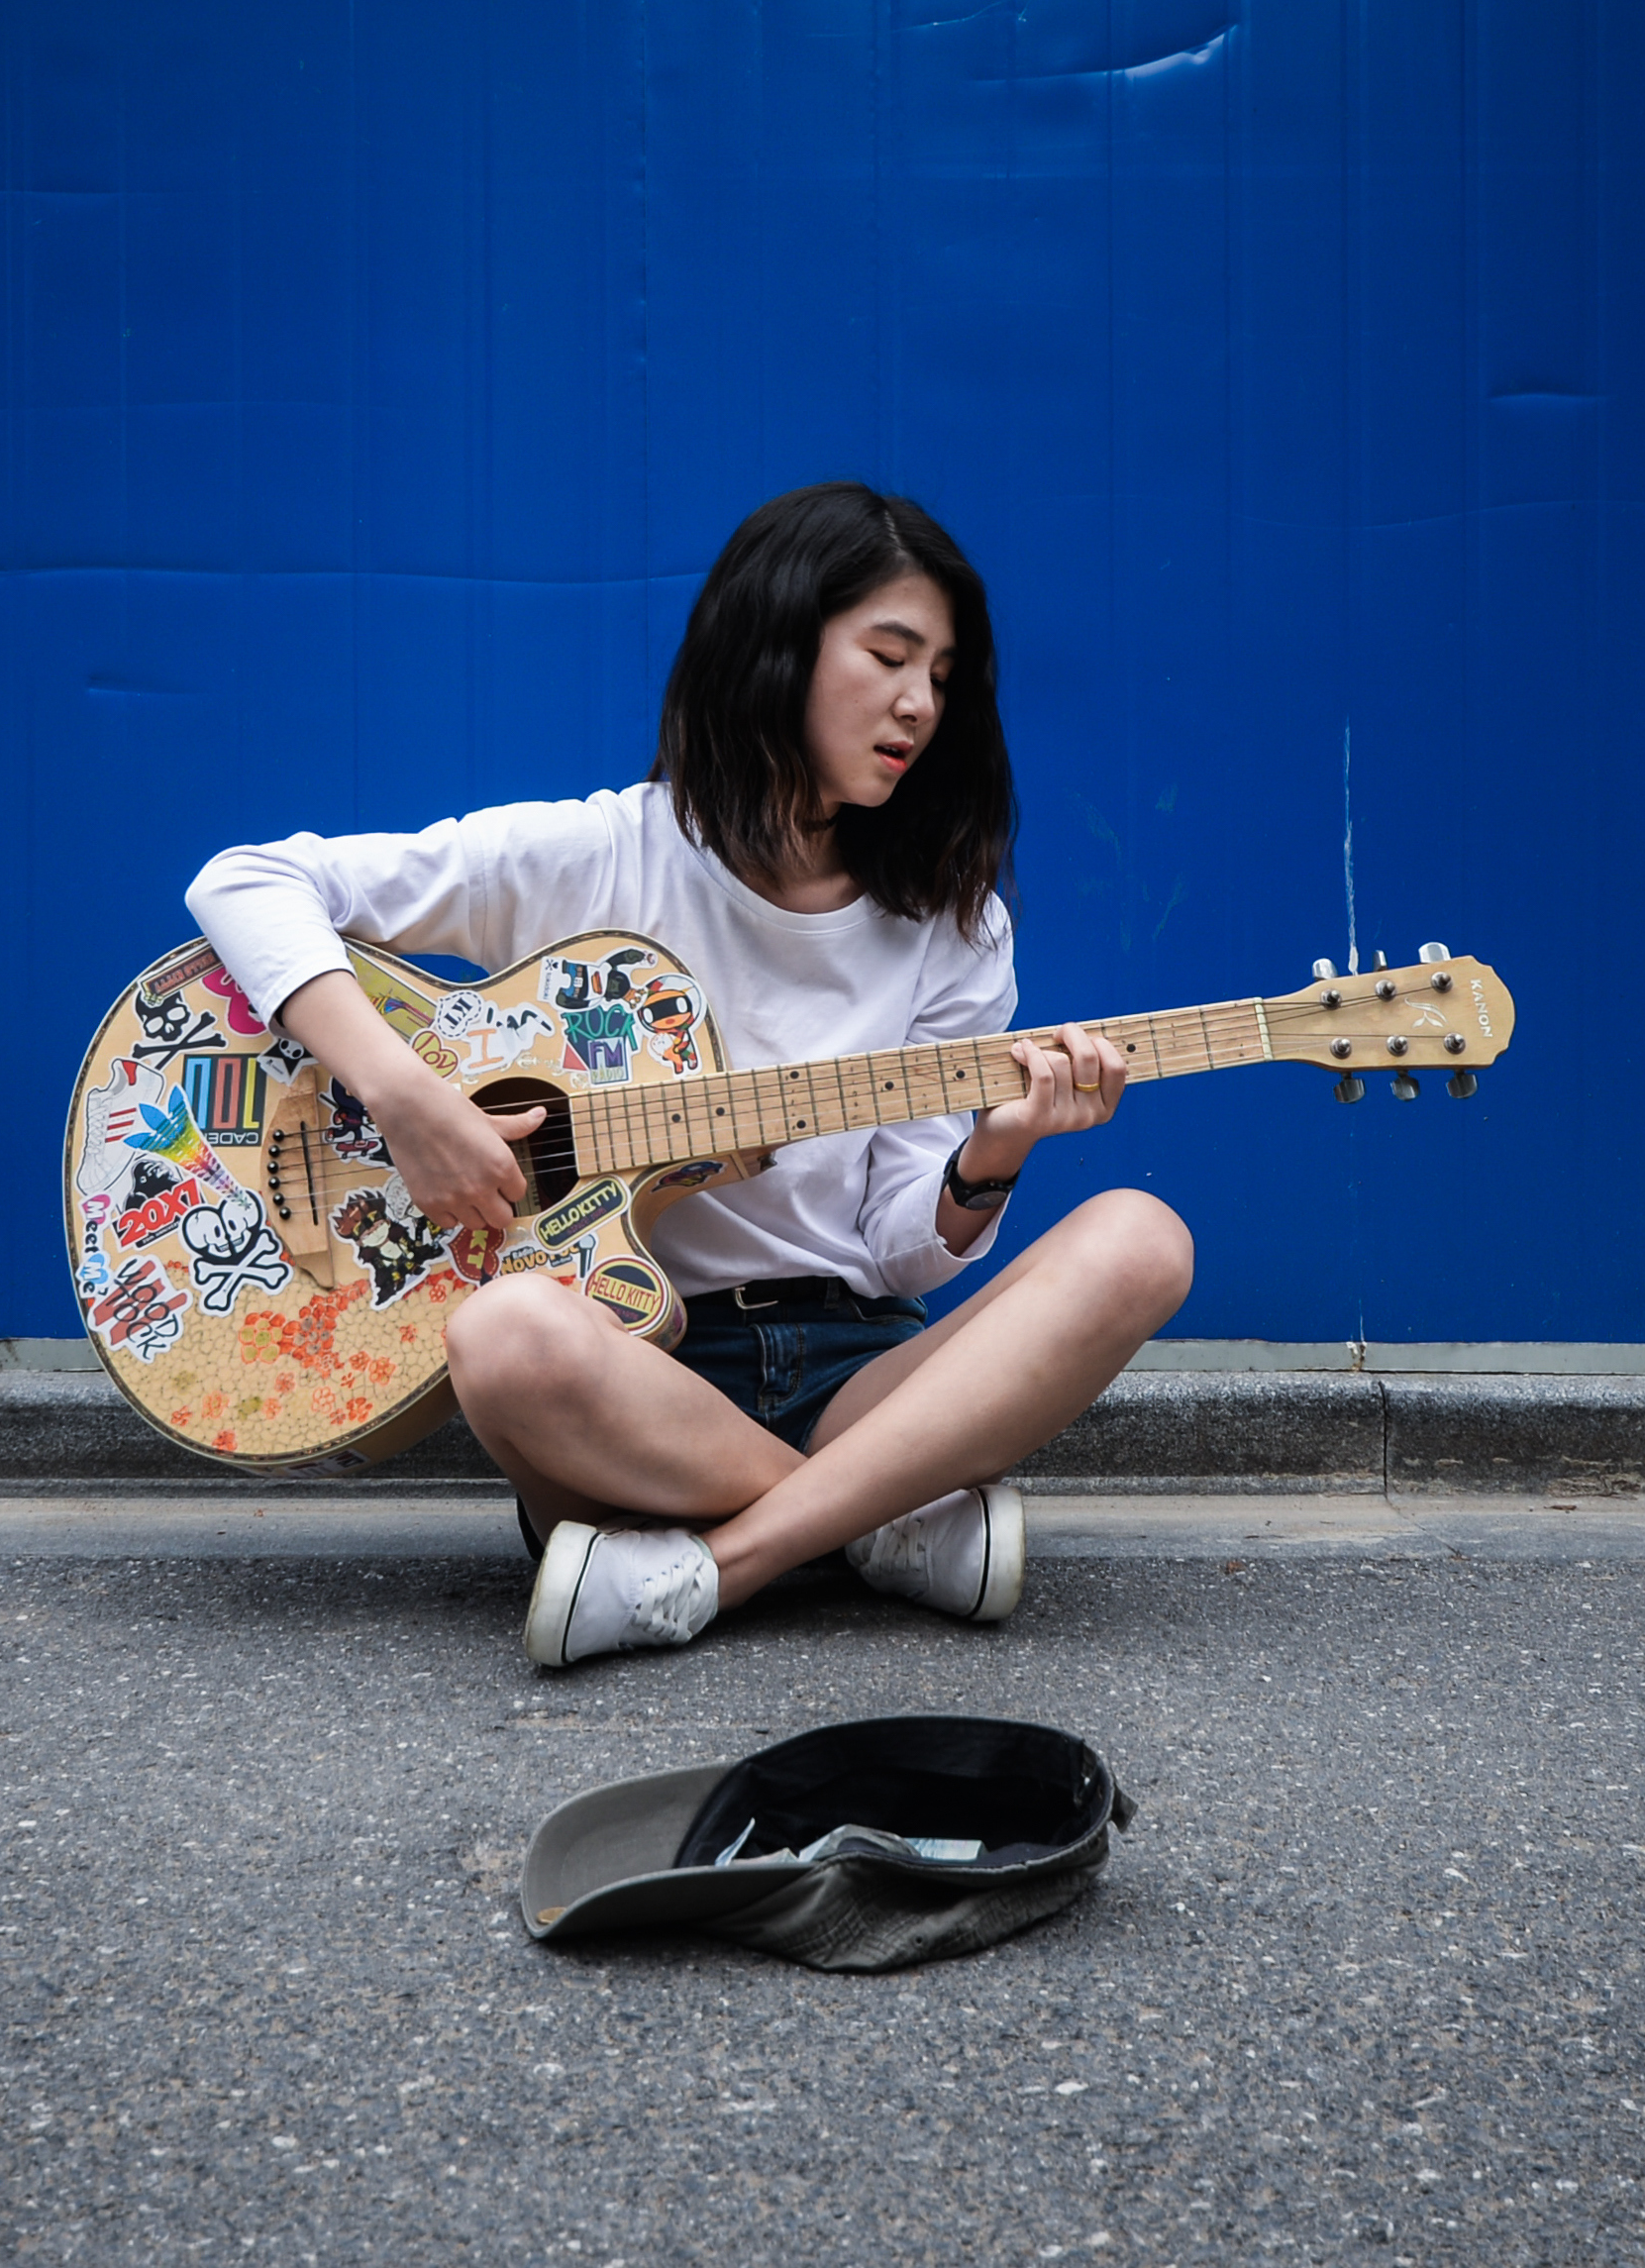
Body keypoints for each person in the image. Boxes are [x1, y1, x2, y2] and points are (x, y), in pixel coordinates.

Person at [185, 482, 1193, 1667]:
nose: (919, 703)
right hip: (633, 1384)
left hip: (858, 1368)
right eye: (887, 654)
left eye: (945, 675)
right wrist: (406, 1100)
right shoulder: (599, 854)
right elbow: (246, 882)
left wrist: (994, 1152)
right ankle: (882, 1520)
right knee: (502, 1334)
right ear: (773, 643)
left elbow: (891, 1252)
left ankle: (723, 1564)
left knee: (1140, 1237)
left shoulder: (949, 925)